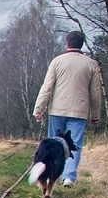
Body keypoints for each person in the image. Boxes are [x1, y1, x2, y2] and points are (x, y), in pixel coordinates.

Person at [33, 30, 102, 187]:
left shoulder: (57, 61)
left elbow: (47, 87)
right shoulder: (91, 64)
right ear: (81, 44)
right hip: (79, 111)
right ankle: (69, 177)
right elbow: (95, 92)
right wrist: (95, 114)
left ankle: (51, 176)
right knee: (74, 144)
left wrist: (39, 108)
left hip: (57, 110)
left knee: (53, 145)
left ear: (67, 43)